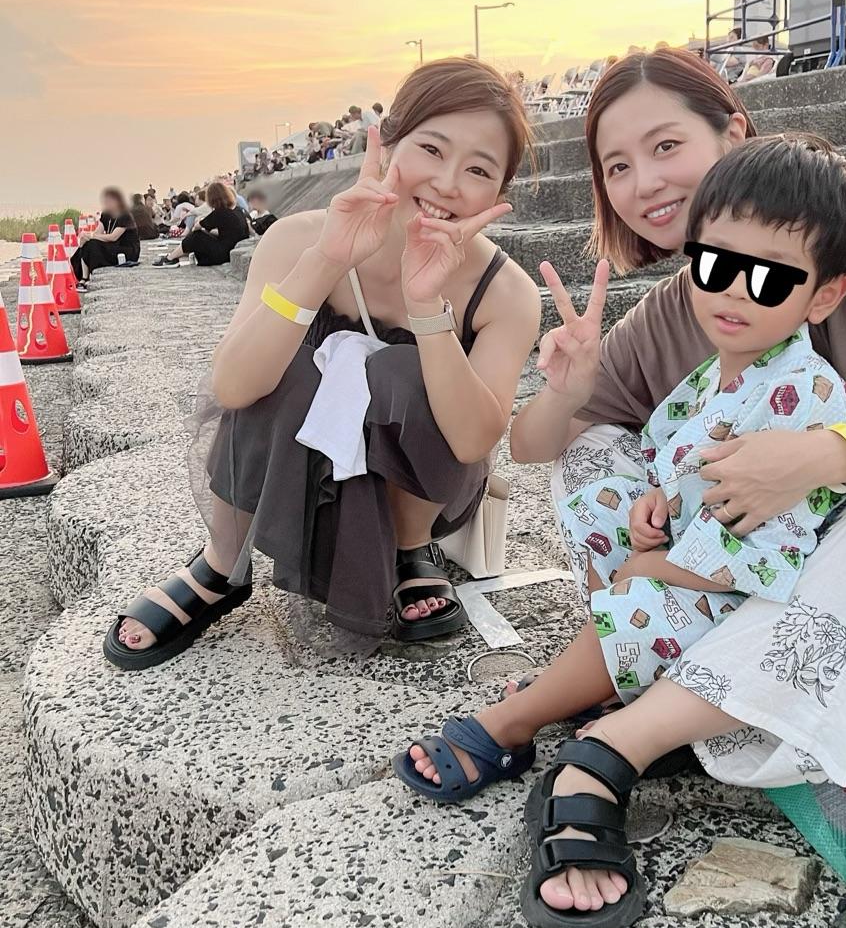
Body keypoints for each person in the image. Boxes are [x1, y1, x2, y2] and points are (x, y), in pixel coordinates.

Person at [396, 46, 846, 928]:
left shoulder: (841, 242)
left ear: (734, 134)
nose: (645, 182)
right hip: (799, 621)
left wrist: (815, 457)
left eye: (666, 145)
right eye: (617, 166)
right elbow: (535, 444)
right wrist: (568, 384)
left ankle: (615, 743)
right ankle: (656, 667)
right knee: (596, 447)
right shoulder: (680, 306)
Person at [104, 57, 541, 670]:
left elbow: (472, 441)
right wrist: (328, 259)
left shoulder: (506, 291)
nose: (447, 183)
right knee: (285, 363)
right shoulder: (297, 238)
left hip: (423, 488)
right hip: (295, 475)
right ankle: (223, 562)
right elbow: (233, 386)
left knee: (399, 371)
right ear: (387, 146)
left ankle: (411, 548)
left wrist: (427, 310)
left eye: (478, 169)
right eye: (432, 149)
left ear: (499, 193)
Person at [155, 179, 251, 268]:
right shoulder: (238, 211)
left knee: (197, 236)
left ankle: (170, 258)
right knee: (202, 237)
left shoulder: (220, 213)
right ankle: (173, 256)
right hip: (231, 250)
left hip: (223, 254)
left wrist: (202, 225)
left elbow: (196, 227)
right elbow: (229, 233)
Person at [69, 189, 140, 285]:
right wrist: (86, 237)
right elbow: (97, 232)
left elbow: (113, 237)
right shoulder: (106, 214)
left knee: (93, 245)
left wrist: (91, 236)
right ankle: (84, 278)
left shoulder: (125, 216)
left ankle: (88, 277)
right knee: (87, 244)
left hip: (127, 250)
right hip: (113, 246)